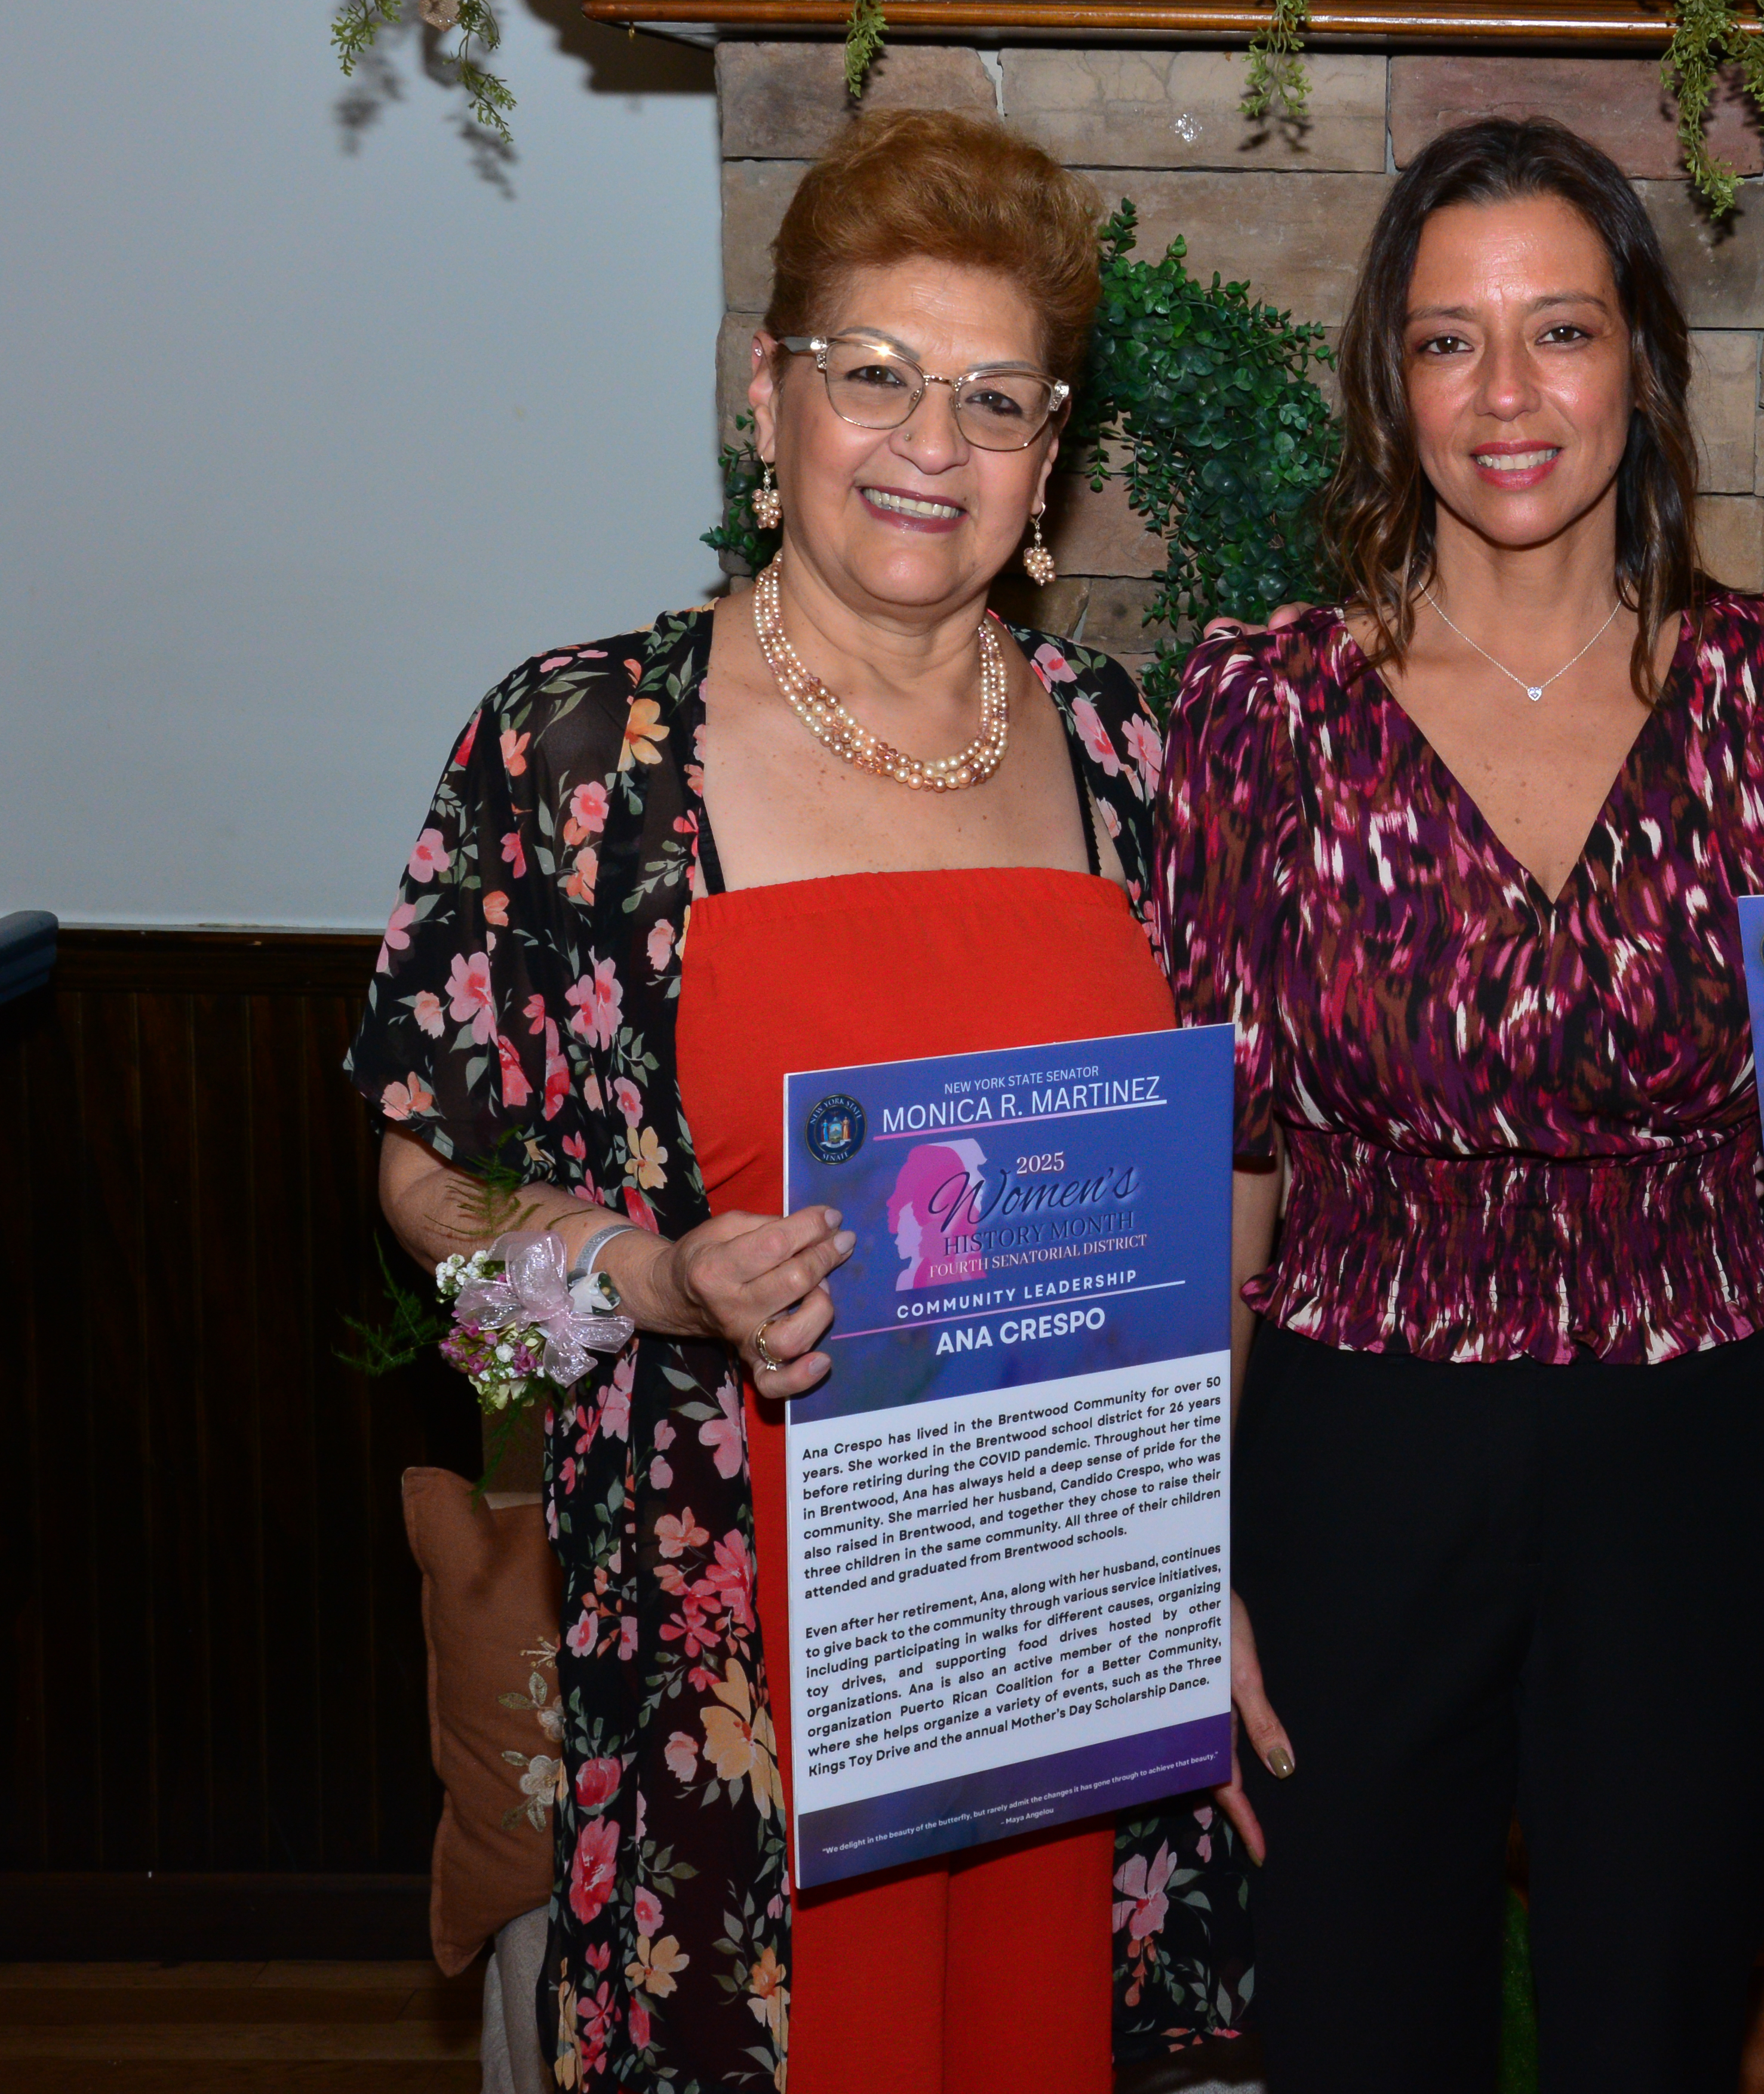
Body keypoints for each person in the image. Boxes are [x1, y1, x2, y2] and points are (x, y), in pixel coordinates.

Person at [351, 109, 1244, 2093]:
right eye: (877, 375)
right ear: (771, 396)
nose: (933, 442)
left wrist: (1203, 1537)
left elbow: (1215, 1197)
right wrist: (656, 1279)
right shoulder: (579, 753)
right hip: (722, 1678)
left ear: (1051, 450)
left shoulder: (1135, 758)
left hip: (1056, 1645)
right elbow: (423, 1183)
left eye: (995, 398)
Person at [1156, 116, 1764, 2094]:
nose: (1508, 396)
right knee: (1358, 2031)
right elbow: (1218, 1165)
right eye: (1448, 342)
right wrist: (1180, 1542)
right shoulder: (1258, 703)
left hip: (1701, 1456)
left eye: (1558, 330)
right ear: (1390, 380)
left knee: (1653, 2032)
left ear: (1642, 356)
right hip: (1356, 1452)